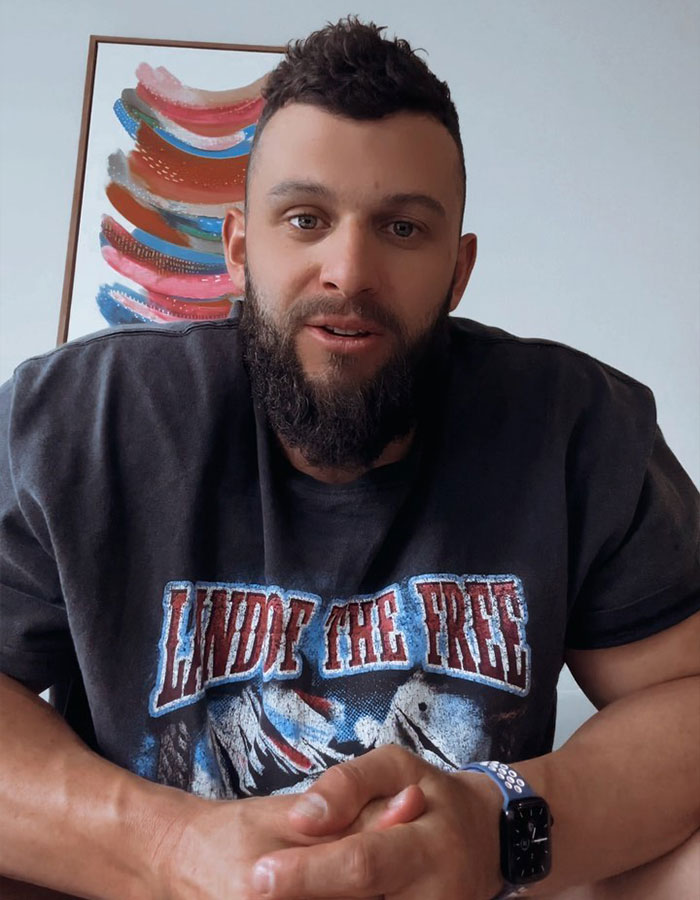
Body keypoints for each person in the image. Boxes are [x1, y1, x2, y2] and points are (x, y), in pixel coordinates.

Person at [0, 16, 698, 900]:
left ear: (458, 269)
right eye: (305, 218)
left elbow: (687, 695)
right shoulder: (76, 421)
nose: (348, 269)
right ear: (240, 249)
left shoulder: (580, 427)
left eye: (403, 230)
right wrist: (165, 849)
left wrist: (500, 827)